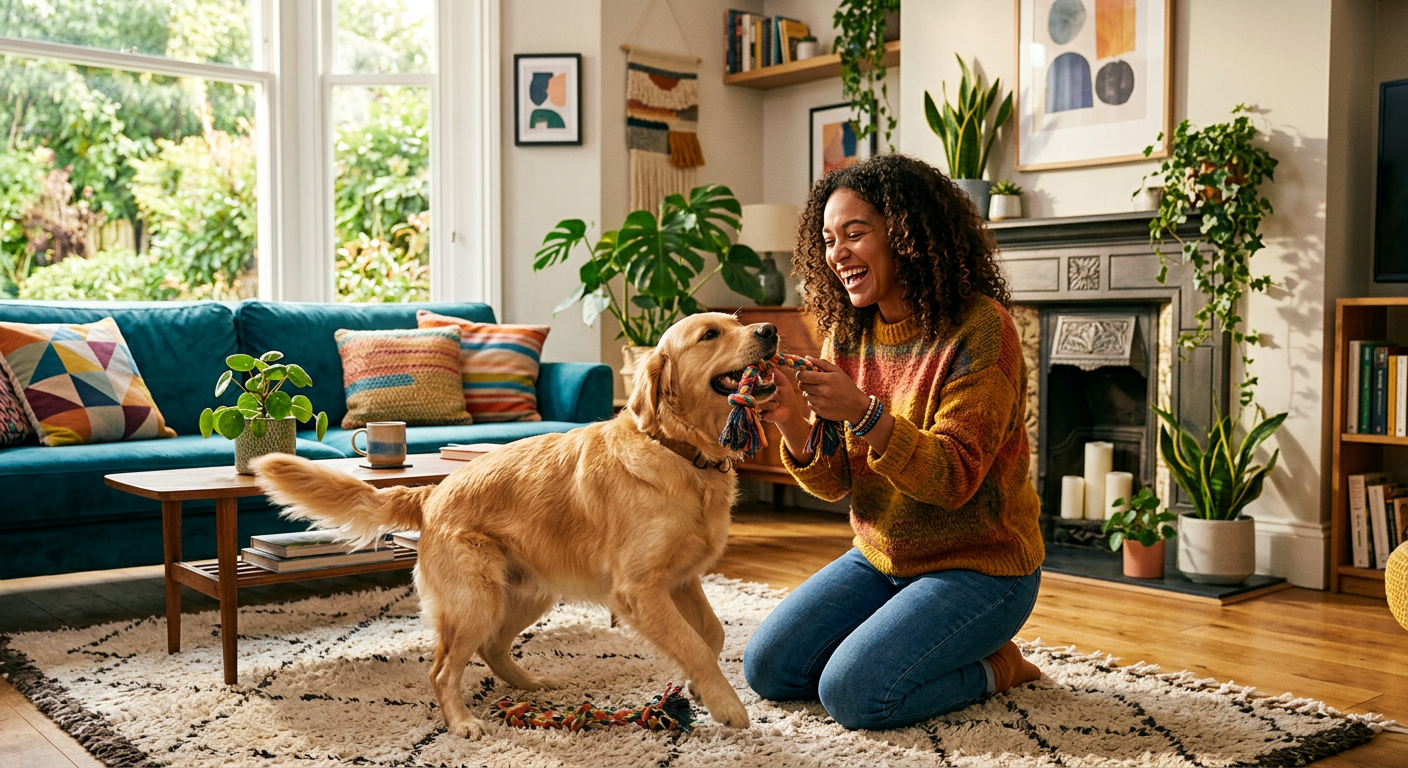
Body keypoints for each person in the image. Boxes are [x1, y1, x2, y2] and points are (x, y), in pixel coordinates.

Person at [742, 154, 1044, 731]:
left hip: (982, 568)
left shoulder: (982, 328)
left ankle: (999, 666)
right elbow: (835, 485)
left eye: (856, 234)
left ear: (906, 236)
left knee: (854, 693)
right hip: (882, 557)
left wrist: (864, 412)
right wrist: (789, 421)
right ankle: (899, 637)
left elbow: (953, 479)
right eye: (829, 240)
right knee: (769, 669)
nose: (838, 254)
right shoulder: (848, 335)